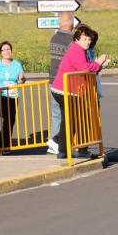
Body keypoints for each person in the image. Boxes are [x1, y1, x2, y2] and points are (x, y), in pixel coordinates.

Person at [51, 25, 110, 159]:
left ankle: (64, 149)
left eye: (89, 40)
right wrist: (99, 63)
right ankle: (64, 146)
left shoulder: (78, 49)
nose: (87, 42)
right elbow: (84, 68)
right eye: (85, 39)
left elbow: (85, 67)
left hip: (65, 90)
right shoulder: (77, 49)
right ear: (77, 39)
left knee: (71, 120)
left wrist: (97, 65)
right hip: (67, 91)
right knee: (79, 119)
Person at [0, 41, 26, 150]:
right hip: (2, 95)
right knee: (9, 119)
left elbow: (21, 78)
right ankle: (3, 145)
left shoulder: (17, 64)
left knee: (10, 120)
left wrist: (22, 80)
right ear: (0, 52)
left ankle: (4, 144)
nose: (7, 52)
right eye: (4, 50)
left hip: (14, 96)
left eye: (8, 49)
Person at [46, 12, 75, 155]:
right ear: (72, 23)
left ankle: (53, 143)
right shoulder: (71, 40)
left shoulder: (54, 37)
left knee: (56, 114)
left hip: (52, 78)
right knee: (68, 114)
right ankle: (62, 143)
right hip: (64, 81)